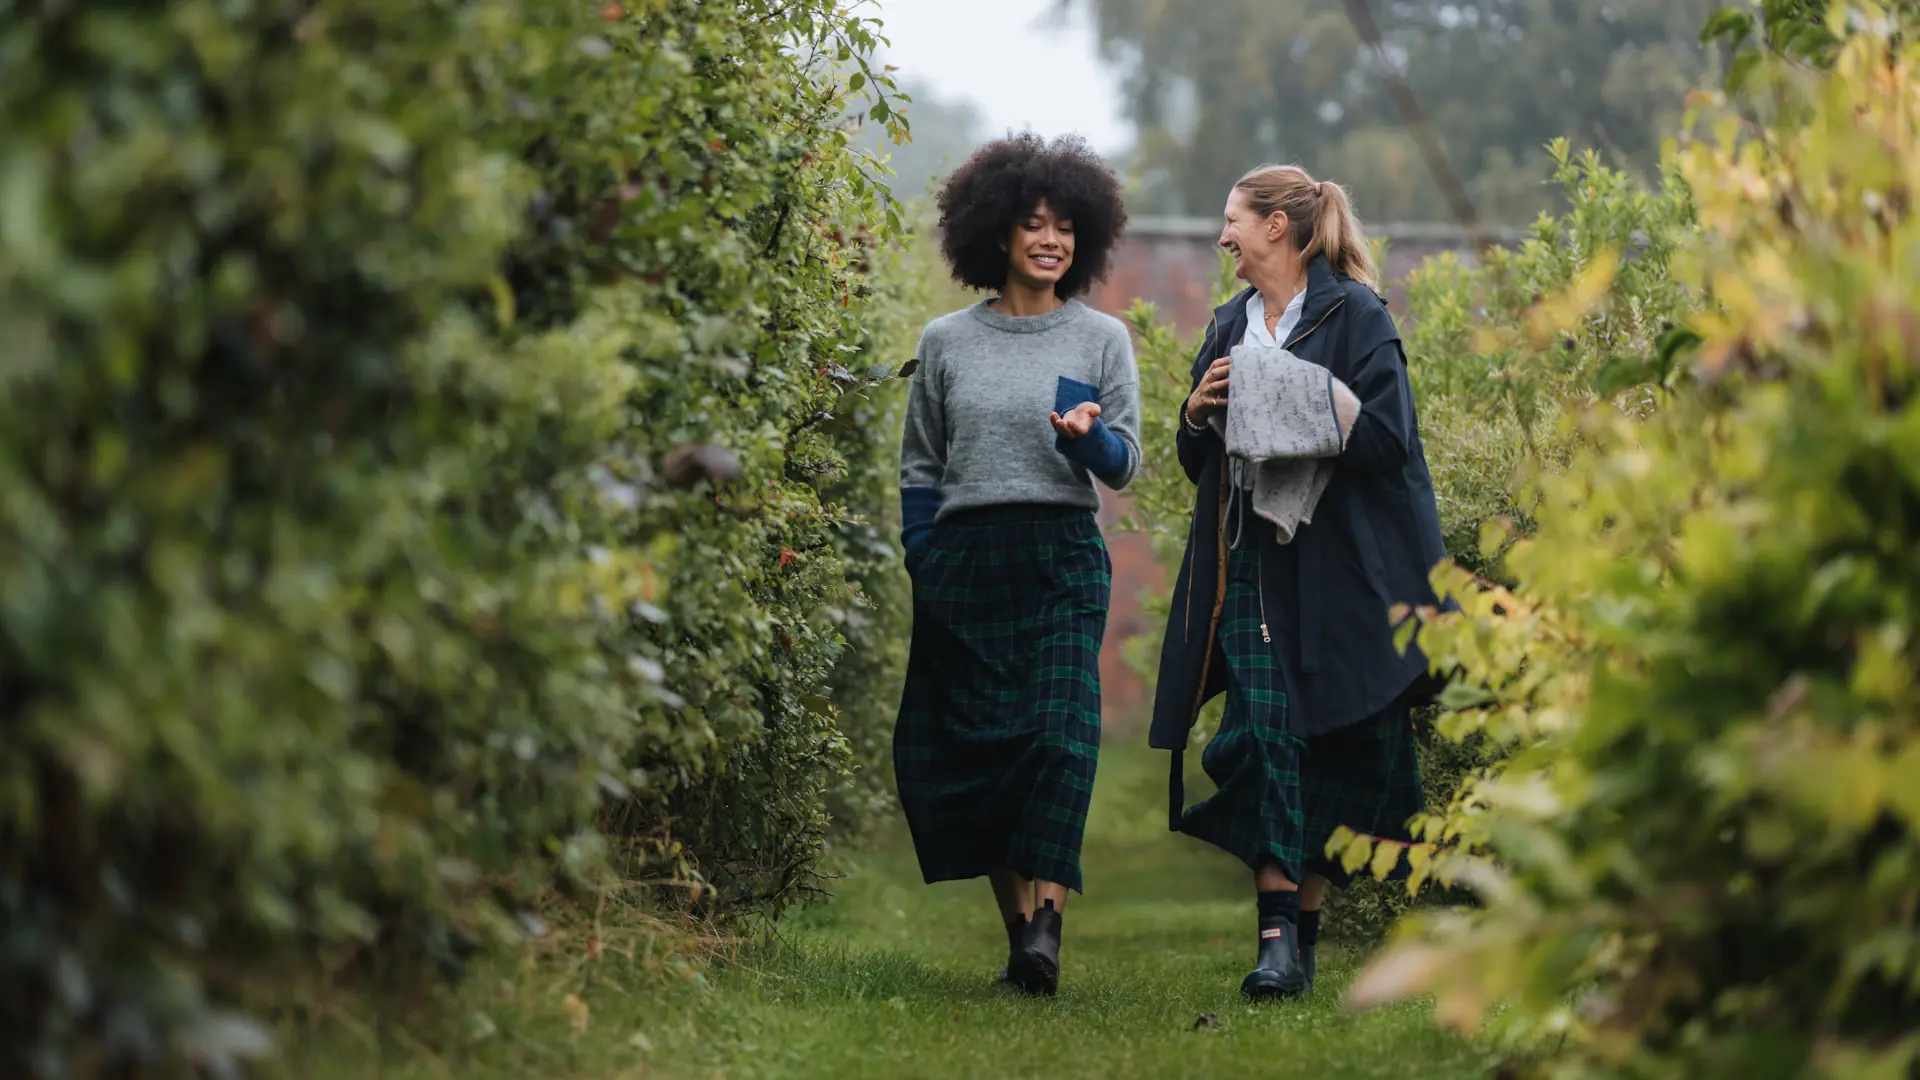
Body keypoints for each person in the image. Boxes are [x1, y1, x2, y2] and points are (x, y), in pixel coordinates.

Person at [1150, 164, 1446, 1001]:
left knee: (1338, 746)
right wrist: (1197, 414)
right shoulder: (1225, 325)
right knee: (1264, 733)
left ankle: (1299, 934)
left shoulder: (1355, 315)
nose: (1223, 238)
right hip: (1252, 566)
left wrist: (1284, 395)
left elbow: (1388, 439)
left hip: (1342, 570)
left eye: (1234, 221)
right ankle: (1276, 936)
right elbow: (1195, 464)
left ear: (1278, 227)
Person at [894, 132, 1137, 997]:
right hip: (964, 560)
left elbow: (1126, 465)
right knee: (979, 758)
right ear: (996, 232)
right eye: (1034, 223)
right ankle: (1021, 937)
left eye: (1066, 226)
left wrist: (1091, 440)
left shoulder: (1102, 339)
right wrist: (923, 553)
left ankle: (1049, 924)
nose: (1050, 239)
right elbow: (921, 462)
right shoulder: (947, 341)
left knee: (1059, 740)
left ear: (1084, 239)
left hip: (1062, 558)